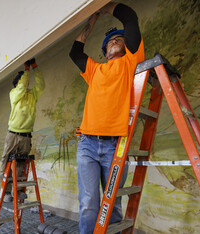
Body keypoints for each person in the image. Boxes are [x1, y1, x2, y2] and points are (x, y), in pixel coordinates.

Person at [69, 2, 144, 233]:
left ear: (126, 46)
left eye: (119, 38)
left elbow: (130, 18)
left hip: (115, 147)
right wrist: (91, 19)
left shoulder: (130, 62)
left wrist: (104, 6)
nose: (114, 39)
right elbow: (75, 52)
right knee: (89, 205)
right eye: (110, 40)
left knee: (113, 205)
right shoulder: (94, 70)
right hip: (87, 145)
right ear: (104, 51)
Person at [0, 58, 45, 202]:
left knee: (20, 165)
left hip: (26, 136)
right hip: (13, 134)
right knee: (6, 162)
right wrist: (26, 69)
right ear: (17, 83)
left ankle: (17, 191)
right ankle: (6, 191)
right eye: (22, 81)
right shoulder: (14, 94)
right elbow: (21, 87)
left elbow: (41, 85)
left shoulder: (32, 95)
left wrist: (35, 67)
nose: (25, 83)